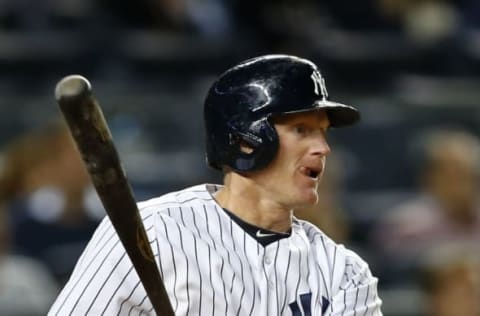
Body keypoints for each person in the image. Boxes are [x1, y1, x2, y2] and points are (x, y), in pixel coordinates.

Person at [48, 54, 383, 315]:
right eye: (302, 129)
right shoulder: (153, 231)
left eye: (323, 132)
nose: (323, 148)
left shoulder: (343, 272)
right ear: (247, 140)